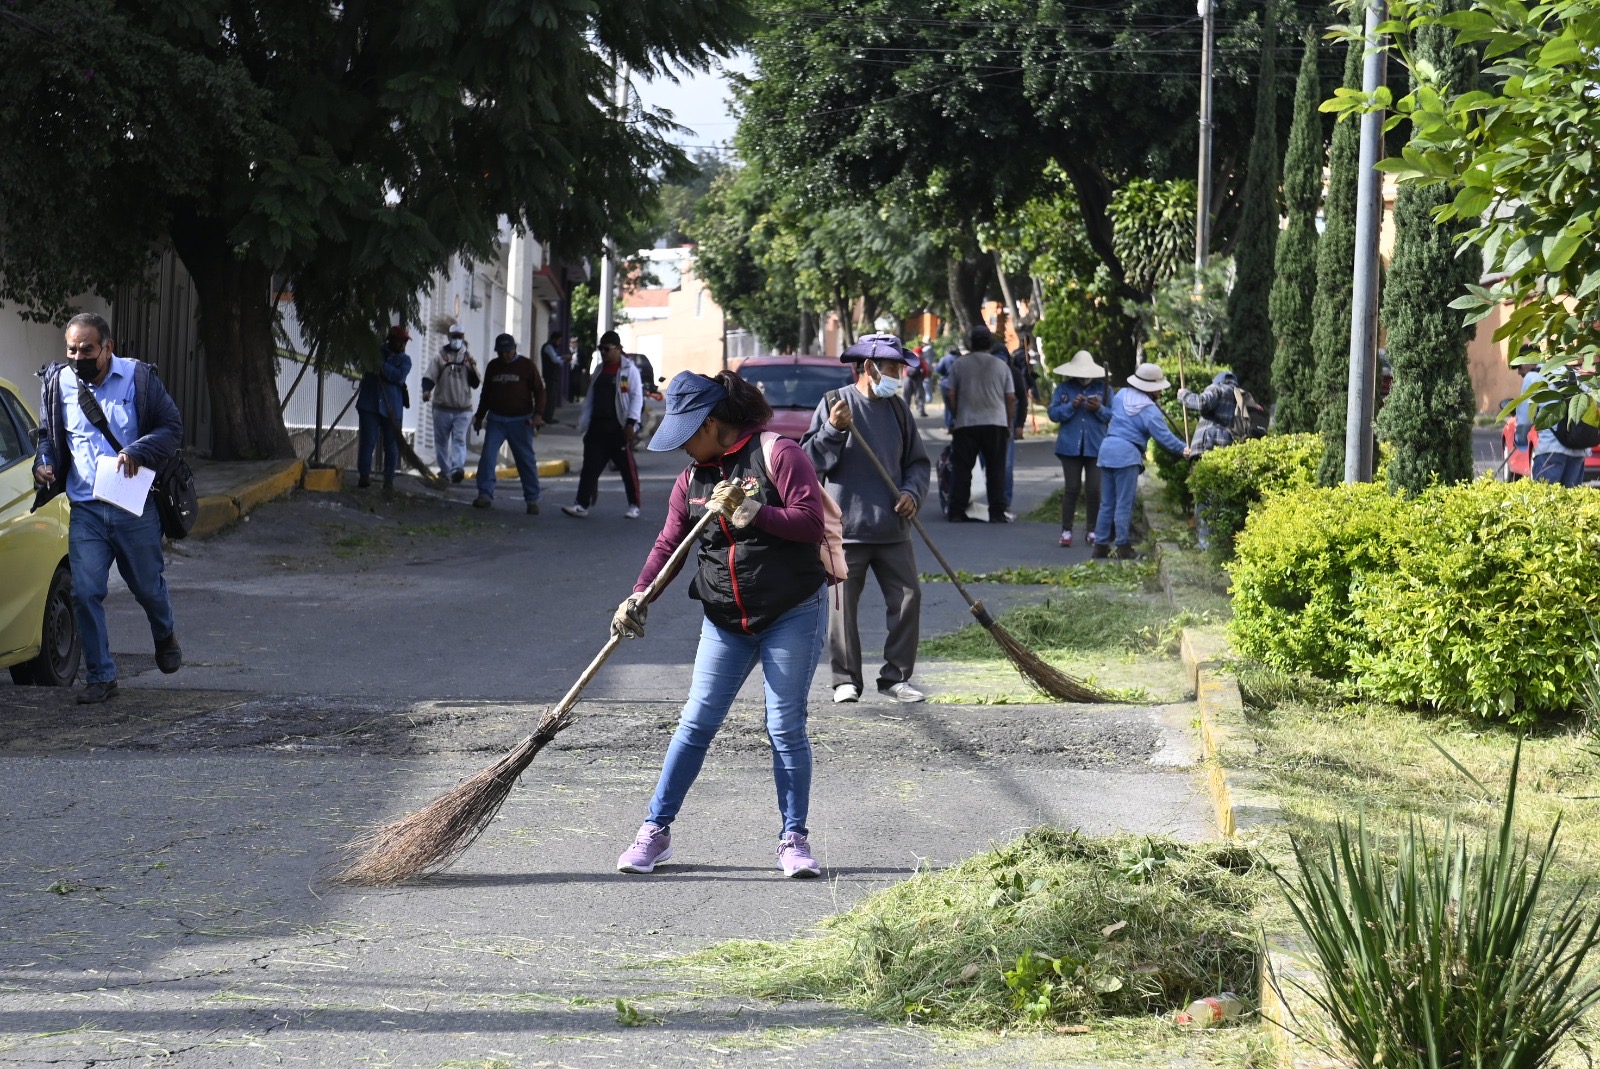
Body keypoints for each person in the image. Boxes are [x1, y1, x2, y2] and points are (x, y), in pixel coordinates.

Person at [611, 369, 831, 879]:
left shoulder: (779, 454)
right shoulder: (691, 480)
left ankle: (794, 839)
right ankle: (655, 831)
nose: (683, 447)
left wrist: (754, 511)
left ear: (710, 423)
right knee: (695, 723)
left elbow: (811, 523)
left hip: (791, 611)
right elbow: (669, 546)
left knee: (784, 726)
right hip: (725, 618)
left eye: (687, 434)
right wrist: (639, 595)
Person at [31, 312, 184, 704]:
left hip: (133, 506)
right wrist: (44, 463)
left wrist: (138, 450)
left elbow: (172, 428)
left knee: (147, 587)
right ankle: (101, 676)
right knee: (84, 592)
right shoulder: (59, 384)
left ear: (107, 348)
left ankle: (164, 633)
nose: (77, 357)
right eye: (71, 349)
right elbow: (48, 437)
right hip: (86, 508)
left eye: (87, 350)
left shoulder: (139, 379)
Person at [800, 334, 931, 705]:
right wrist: (834, 429)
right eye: (893, 368)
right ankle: (846, 680)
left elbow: (918, 464)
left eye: (900, 370)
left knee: (908, 599)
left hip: (893, 528)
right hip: (845, 531)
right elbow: (807, 462)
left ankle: (896, 678)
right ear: (870, 367)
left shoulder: (899, 410)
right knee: (841, 609)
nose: (898, 377)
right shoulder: (834, 403)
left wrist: (912, 493)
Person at [1093, 363, 1189, 559]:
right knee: (1124, 503)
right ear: (1151, 388)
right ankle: (1123, 547)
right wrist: (1184, 449)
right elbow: (1164, 437)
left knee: (1107, 503)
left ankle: (1100, 545)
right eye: (1159, 387)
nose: (1161, 391)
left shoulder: (1121, 395)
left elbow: (1113, 415)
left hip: (1107, 449)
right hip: (1126, 454)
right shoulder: (1149, 410)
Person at [562, 330, 644, 519]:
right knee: (589, 468)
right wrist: (584, 422)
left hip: (618, 428)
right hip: (597, 427)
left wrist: (631, 423)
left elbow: (636, 397)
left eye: (607, 349)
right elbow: (590, 397)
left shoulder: (628, 370)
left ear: (617, 349)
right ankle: (581, 504)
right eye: (601, 349)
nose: (603, 352)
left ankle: (634, 505)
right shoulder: (599, 369)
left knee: (627, 469)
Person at [945, 325, 1015, 523]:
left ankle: (957, 510)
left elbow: (950, 393)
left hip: (966, 422)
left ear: (970, 343)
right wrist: (1008, 423)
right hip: (996, 422)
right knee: (996, 469)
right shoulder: (1001, 366)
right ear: (990, 343)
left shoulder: (960, 364)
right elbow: (1010, 398)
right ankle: (997, 512)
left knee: (962, 468)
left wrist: (956, 414)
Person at [472, 333, 546, 514]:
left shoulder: (527, 366)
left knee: (525, 460)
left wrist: (538, 414)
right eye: (501, 352)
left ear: (514, 349)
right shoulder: (493, 366)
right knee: (488, 457)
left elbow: (540, 391)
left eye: (507, 351)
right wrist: (479, 417)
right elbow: (486, 394)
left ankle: (532, 499)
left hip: (521, 421)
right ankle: (485, 494)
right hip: (496, 420)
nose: (504, 355)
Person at [1046, 349, 1112, 548]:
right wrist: (1071, 407)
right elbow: (1053, 414)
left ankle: (1092, 530)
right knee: (1072, 488)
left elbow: (1113, 415)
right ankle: (1066, 530)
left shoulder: (1104, 389)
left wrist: (1098, 408)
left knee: (1094, 490)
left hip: (1096, 446)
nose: (1083, 377)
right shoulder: (1064, 388)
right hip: (1069, 446)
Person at [1517, 363, 1592, 487]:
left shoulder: (1533, 378)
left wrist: (1520, 440)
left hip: (1550, 450)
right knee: (1571, 498)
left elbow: (1524, 420)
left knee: (1545, 497)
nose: (1519, 372)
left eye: (1519, 366)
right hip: (1578, 451)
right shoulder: (1578, 376)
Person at [422, 323, 479, 484]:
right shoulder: (440, 357)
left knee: (459, 440)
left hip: (463, 409)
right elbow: (429, 376)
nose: (457, 340)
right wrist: (426, 391)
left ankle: (457, 469)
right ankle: (445, 470)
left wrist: (472, 368)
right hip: (442, 408)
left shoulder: (468, 359)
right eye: (454, 337)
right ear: (449, 337)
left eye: (459, 337)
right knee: (441, 441)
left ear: (463, 338)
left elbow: (475, 383)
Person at [356, 325, 412, 490]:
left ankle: (389, 479)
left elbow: (399, 376)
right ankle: (364, 476)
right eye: (399, 340)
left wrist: (380, 366)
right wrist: (374, 360)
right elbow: (364, 364)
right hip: (370, 404)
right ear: (391, 339)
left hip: (392, 408)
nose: (402, 344)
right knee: (368, 442)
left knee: (391, 446)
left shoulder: (405, 360)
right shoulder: (374, 353)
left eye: (404, 341)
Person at [1177, 370, 1246, 457]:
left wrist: (1184, 394)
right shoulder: (1241, 397)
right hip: (1229, 445)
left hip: (1209, 442)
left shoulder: (1217, 388)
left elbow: (1202, 402)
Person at [540, 331, 566, 424]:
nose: (560, 343)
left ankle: (548, 416)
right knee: (550, 397)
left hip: (552, 375)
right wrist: (564, 358)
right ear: (554, 339)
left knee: (552, 396)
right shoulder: (548, 347)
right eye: (559, 340)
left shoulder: (552, 347)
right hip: (550, 375)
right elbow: (555, 359)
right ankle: (547, 417)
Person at [935, 347, 960, 432]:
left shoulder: (945, 359)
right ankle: (955, 424)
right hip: (958, 385)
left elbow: (938, 369)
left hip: (946, 384)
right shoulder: (960, 359)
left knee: (948, 405)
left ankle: (949, 425)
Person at [901, 344, 928, 417]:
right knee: (919, 396)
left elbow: (903, 368)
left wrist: (904, 376)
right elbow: (926, 370)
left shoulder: (909, 358)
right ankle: (921, 410)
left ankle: (905, 412)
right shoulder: (921, 359)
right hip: (917, 379)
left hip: (907, 378)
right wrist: (922, 378)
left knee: (906, 396)